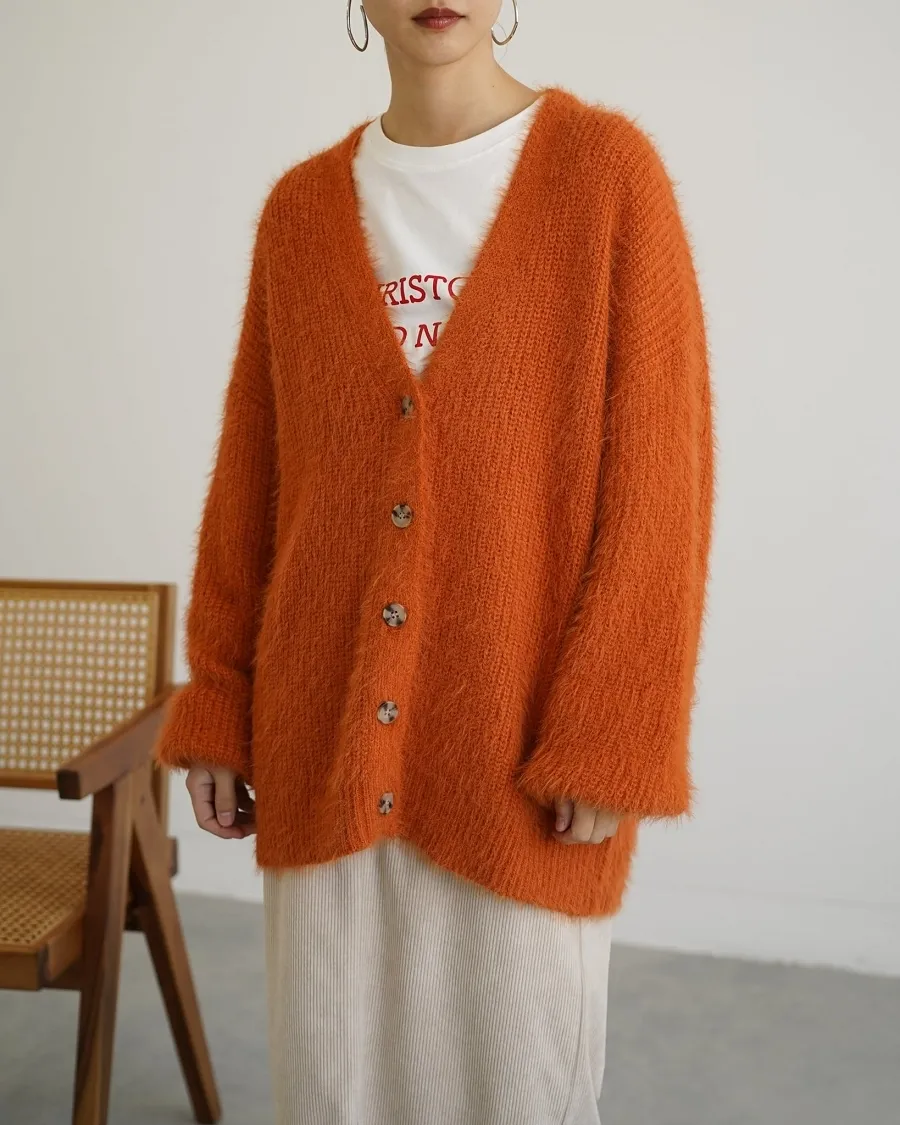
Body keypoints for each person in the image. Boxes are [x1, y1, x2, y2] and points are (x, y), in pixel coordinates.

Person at [153, 3, 716, 1123]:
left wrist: (613, 731)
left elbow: (663, 485)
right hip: (323, 734)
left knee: (518, 1088)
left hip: (518, 749)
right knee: (333, 1088)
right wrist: (218, 698)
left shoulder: (605, 176)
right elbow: (252, 481)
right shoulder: (302, 212)